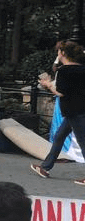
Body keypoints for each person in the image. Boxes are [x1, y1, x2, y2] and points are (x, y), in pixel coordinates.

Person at [31, 39, 85, 183]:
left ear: (63, 53)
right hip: (78, 110)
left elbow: (61, 92)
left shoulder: (63, 71)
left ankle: (46, 167)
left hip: (74, 111)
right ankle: (45, 167)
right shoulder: (82, 68)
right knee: (59, 136)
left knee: (82, 142)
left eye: (58, 51)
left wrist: (47, 84)